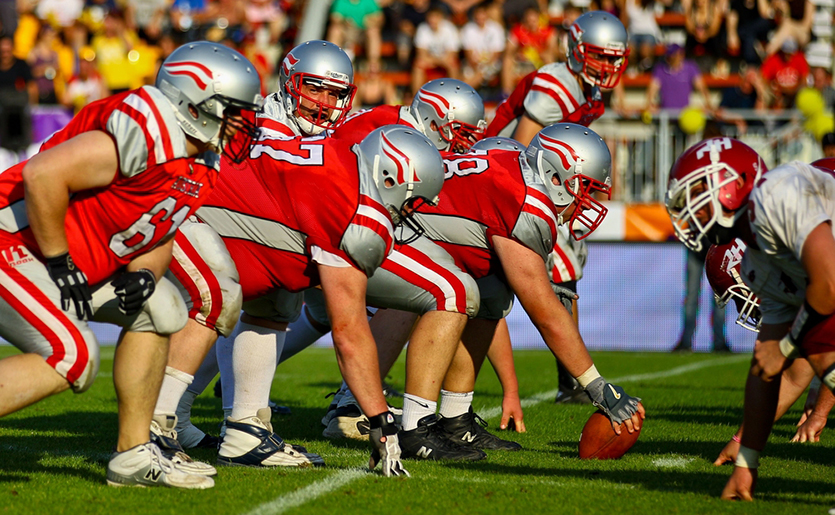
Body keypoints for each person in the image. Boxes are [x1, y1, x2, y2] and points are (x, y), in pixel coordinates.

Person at [0, 41, 262, 488]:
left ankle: (133, 454)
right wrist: (61, 261)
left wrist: (144, 272)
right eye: (230, 110)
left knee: (161, 306)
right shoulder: (146, 127)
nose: (239, 124)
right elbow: (42, 175)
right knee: (73, 358)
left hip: (69, 261)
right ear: (192, 98)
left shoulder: (201, 158)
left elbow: (157, 229)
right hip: (19, 241)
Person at [165, 125, 445, 474]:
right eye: (411, 201)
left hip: (195, 192)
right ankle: (152, 430)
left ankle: (245, 430)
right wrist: (379, 418)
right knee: (213, 296)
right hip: (178, 201)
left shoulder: (342, 160)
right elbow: (349, 333)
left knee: (278, 298)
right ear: (389, 178)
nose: (409, 214)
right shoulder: (357, 209)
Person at [154, 39, 358, 450]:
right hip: (197, 217)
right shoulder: (261, 118)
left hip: (246, 230)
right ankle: (180, 419)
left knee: (274, 299)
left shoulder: (335, 127)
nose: (324, 102)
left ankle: (214, 418)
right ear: (289, 83)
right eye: (314, 88)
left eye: (335, 93)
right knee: (224, 298)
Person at [665, 139, 835, 500]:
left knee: (820, 349)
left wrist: (786, 346)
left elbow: (830, 284)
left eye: (698, 191)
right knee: (818, 350)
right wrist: (747, 459)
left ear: (733, 182)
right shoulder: (759, 263)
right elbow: (771, 365)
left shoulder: (778, 194)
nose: (690, 210)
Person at [487, 11, 630, 144]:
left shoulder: (591, 91)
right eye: (599, 56)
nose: (606, 65)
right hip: (500, 158)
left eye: (612, 59)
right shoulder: (554, 88)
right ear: (578, 50)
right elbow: (521, 153)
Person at [672, 245, 729, 352]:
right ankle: (686, 341)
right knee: (692, 297)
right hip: (697, 246)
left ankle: (719, 342)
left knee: (719, 297)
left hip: (717, 248)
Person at [645, 43, 714, 113]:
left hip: (684, 114)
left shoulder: (690, 67)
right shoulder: (660, 69)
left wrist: (708, 103)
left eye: (673, 55)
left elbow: (701, 87)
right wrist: (649, 104)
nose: (670, 58)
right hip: (666, 114)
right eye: (668, 55)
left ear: (680, 55)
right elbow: (652, 89)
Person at [411, 7, 461, 94]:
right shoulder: (423, 29)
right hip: (433, 60)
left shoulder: (450, 29)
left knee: (453, 65)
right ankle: (416, 96)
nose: (433, 21)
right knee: (418, 65)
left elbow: (452, 53)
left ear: (441, 18)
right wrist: (438, 60)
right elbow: (421, 53)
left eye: (435, 17)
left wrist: (439, 60)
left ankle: (454, 94)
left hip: (443, 60)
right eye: (431, 18)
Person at [760, 38, 809, 109]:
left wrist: (791, 90)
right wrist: (773, 87)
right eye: (786, 52)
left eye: (790, 53)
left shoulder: (799, 58)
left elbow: (804, 79)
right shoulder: (774, 58)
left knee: (803, 92)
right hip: (778, 93)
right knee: (765, 93)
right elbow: (764, 78)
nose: (787, 55)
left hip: (795, 92)